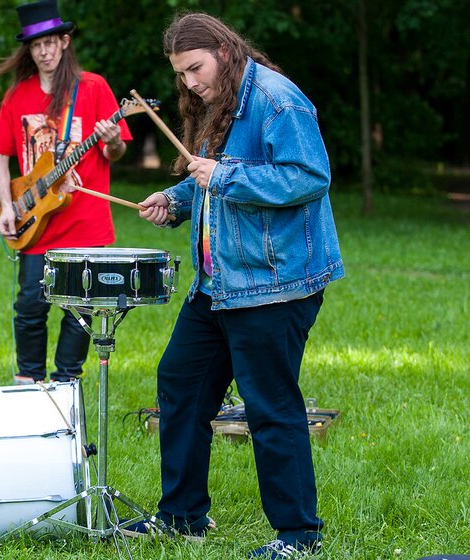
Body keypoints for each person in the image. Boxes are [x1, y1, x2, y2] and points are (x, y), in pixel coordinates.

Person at [128, 13, 345, 559]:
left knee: (269, 406)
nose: (190, 83)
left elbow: (308, 177)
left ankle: (298, 537)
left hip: (274, 285)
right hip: (217, 283)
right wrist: (177, 200)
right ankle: (182, 518)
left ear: (223, 51)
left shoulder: (277, 99)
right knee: (180, 385)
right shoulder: (217, 103)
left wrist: (220, 177)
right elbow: (209, 175)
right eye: (181, 75)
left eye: (195, 68)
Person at [0, 0, 132, 385]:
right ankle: (27, 380)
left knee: (78, 310)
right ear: (29, 50)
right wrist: (5, 206)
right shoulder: (19, 94)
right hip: (35, 219)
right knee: (30, 306)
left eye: (50, 42)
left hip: (86, 224)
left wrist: (113, 139)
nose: (44, 51)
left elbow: (114, 152)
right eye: (36, 45)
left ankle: (67, 381)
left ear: (65, 41)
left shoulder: (94, 87)